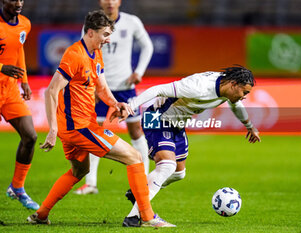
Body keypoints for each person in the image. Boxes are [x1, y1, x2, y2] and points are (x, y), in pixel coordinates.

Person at [26, 10, 174, 227]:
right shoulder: (74, 55)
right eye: (105, 34)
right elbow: (51, 91)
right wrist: (52, 130)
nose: (108, 39)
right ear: (90, 32)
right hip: (79, 127)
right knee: (134, 157)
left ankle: (41, 215)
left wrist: (115, 103)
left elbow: (102, 87)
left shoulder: (96, 53)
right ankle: (147, 217)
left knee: (80, 170)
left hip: (81, 125)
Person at [120, 65, 261, 227]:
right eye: (245, 92)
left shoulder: (227, 88)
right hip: (157, 117)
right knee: (167, 165)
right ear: (234, 84)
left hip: (177, 123)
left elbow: (236, 105)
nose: (244, 97)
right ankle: (135, 217)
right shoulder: (198, 86)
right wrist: (130, 107)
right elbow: (158, 89)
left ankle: (140, 191)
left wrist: (249, 125)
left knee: (179, 173)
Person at [74, 0, 153, 195]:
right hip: (99, 88)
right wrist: (90, 82)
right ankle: (91, 183)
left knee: (136, 131)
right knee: (93, 132)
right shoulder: (91, 24)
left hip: (125, 86)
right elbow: (83, 53)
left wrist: (139, 72)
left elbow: (147, 46)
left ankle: (143, 178)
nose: (110, 2)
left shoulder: (131, 22)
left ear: (119, 2)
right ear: (101, 2)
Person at [0, 0, 39, 210]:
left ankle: (17, 187)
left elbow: (19, 48)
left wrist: (23, 80)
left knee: (30, 136)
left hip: (10, 90)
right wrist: (1, 67)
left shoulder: (25, 23)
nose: (18, 3)